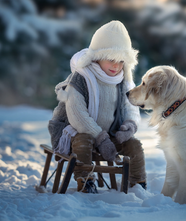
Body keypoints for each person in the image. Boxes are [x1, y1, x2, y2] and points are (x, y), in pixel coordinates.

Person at [48, 20, 146, 193]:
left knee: (134, 145)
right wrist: (100, 138)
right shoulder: (81, 78)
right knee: (83, 140)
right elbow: (78, 115)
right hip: (77, 131)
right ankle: (85, 180)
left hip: (109, 133)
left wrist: (129, 126)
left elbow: (130, 106)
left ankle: (138, 183)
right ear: (97, 56)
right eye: (111, 59)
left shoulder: (123, 80)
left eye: (121, 61)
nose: (116, 66)